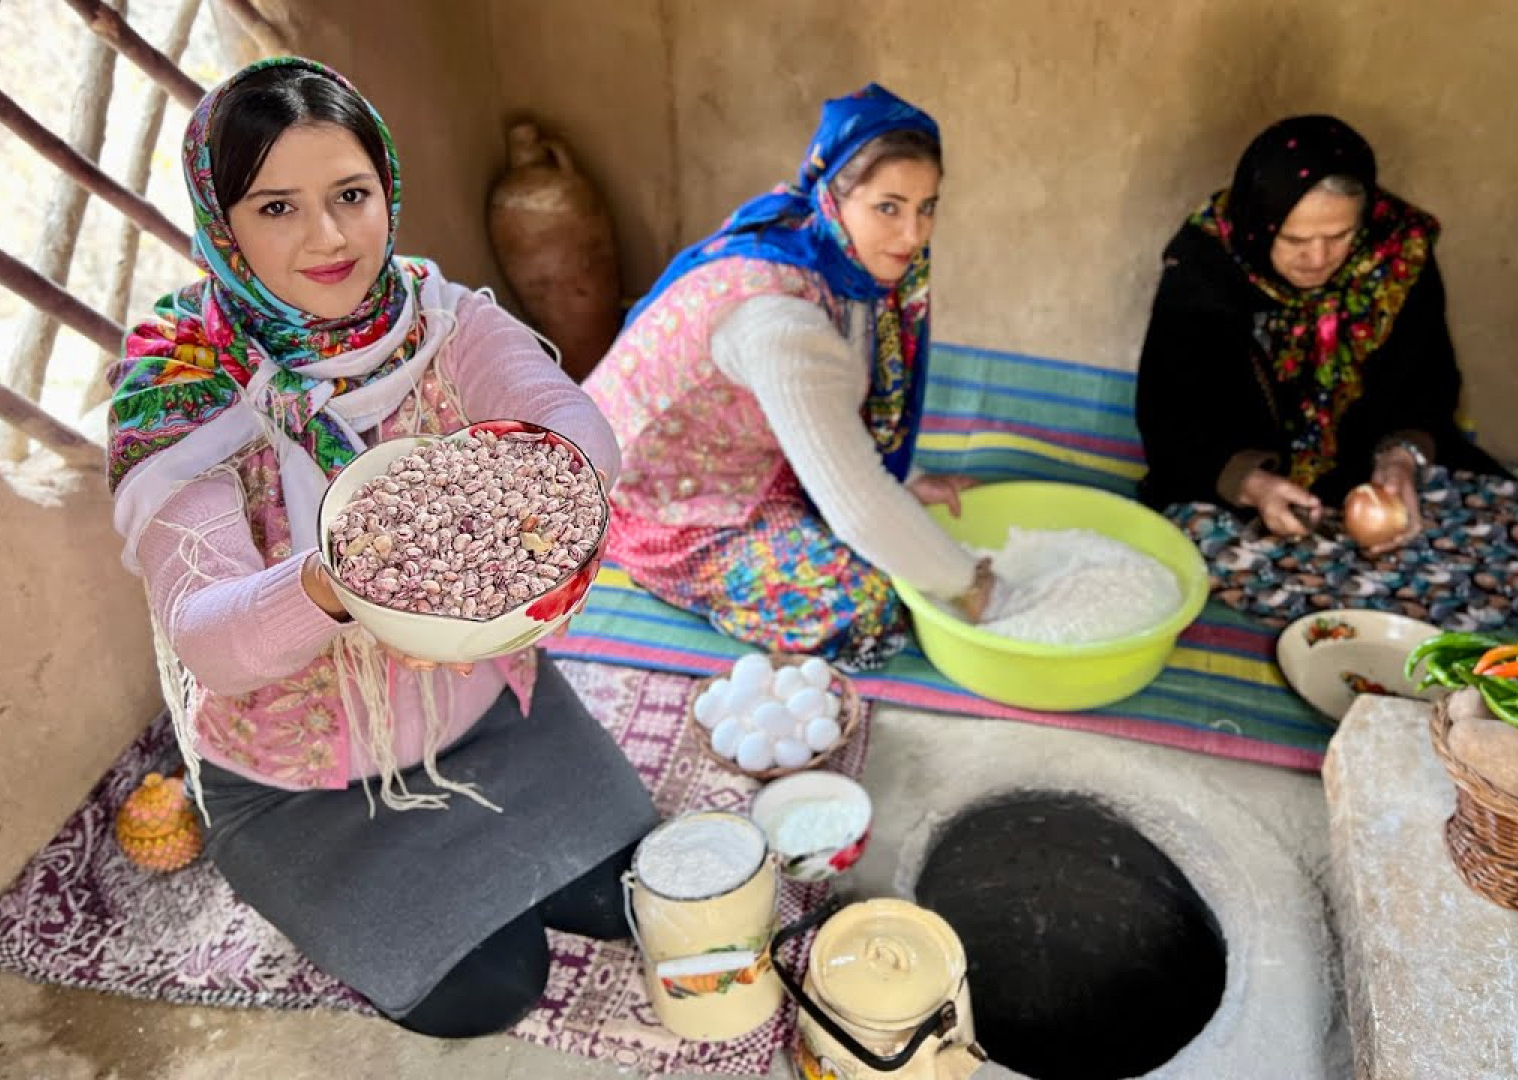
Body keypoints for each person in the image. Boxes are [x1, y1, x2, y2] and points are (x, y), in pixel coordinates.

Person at [105, 57, 658, 1039]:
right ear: (220, 223)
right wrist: (341, 577)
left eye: (350, 195)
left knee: (636, 895)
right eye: (277, 208)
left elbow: (570, 423)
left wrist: (523, 488)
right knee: (492, 986)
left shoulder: (433, 317)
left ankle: (506, 827)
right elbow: (212, 644)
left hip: (487, 709)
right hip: (297, 780)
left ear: (384, 190)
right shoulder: (179, 383)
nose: (328, 238)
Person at [1133, 115, 1518, 632]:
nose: (1318, 259)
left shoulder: (1397, 254)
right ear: (1260, 223)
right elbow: (1169, 411)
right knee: (1215, 553)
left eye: (1339, 236)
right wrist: (1252, 485)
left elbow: (1429, 378)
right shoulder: (1206, 267)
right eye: (1295, 241)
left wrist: (1401, 461)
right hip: (1236, 491)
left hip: (1366, 468)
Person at [582, 83, 994, 670]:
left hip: (733, 450)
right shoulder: (779, 319)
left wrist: (906, 476)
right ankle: (663, 568)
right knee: (871, 603)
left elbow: (832, 400)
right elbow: (858, 508)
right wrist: (969, 581)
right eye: (889, 207)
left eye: (926, 207)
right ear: (836, 197)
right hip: (656, 494)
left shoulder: (823, 247)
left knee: (899, 542)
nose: (914, 235)